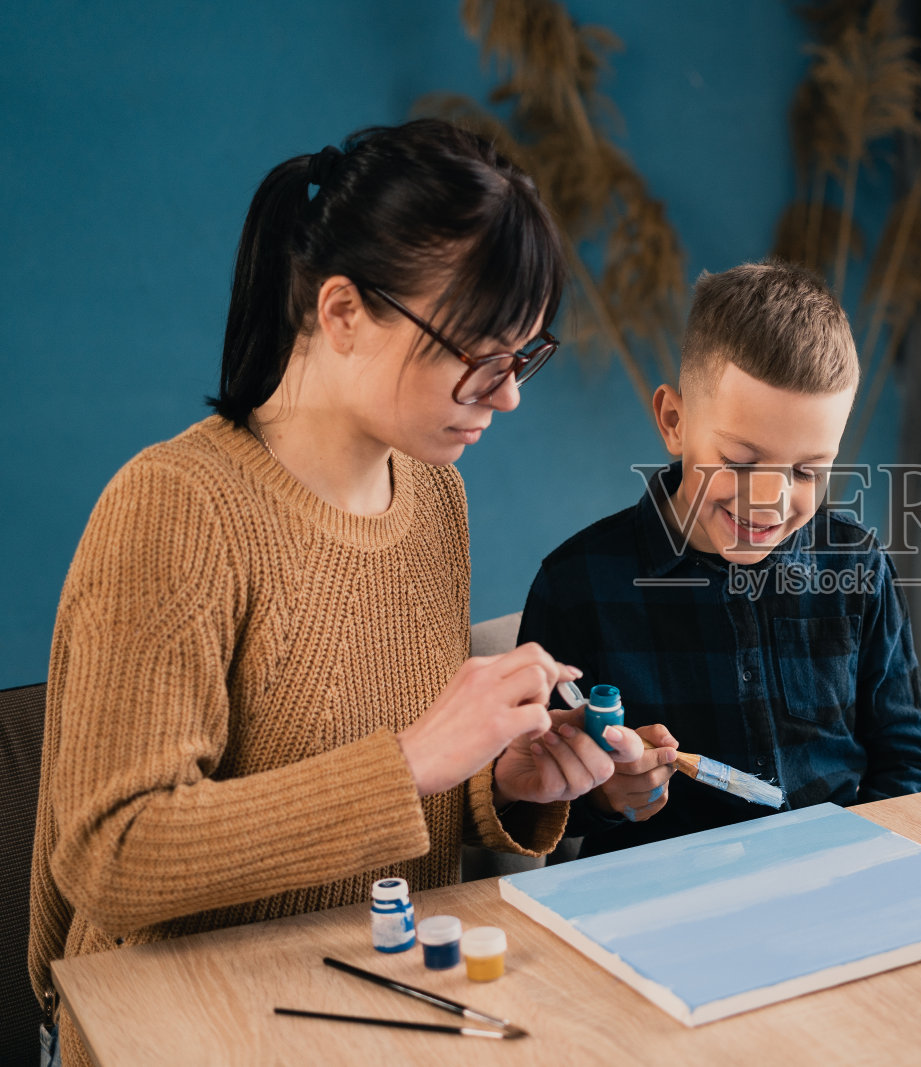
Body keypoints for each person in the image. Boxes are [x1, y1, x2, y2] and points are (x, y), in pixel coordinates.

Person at [29, 120, 646, 1066]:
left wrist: (502, 788)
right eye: (478, 354)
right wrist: (412, 762)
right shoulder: (174, 508)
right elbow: (111, 851)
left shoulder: (436, 493)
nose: (509, 395)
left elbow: (399, 793)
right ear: (344, 312)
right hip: (184, 1024)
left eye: (523, 356)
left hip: (382, 1001)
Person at [517, 260, 921, 856]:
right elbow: (530, 807)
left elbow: (917, 766)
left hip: (842, 886)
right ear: (674, 421)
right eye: (743, 461)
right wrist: (606, 798)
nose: (770, 499)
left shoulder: (858, 566)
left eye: (806, 471)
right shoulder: (575, 588)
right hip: (657, 909)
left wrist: (861, 867)